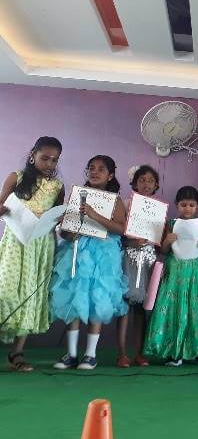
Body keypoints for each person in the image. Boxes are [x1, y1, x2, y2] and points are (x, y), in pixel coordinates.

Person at [50, 155, 128, 370]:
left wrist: (94, 215)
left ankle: (90, 354)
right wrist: (68, 232)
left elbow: (121, 228)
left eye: (101, 169)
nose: (94, 172)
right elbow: (65, 231)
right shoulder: (77, 195)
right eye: (91, 168)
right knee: (74, 298)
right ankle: (71, 353)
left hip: (103, 254)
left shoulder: (115, 200)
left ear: (110, 175)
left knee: (97, 298)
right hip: (77, 251)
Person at [0, 137, 64, 372]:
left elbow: (57, 216)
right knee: (5, 292)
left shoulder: (58, 186)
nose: (49, 163)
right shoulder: (16, 177)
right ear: (32, 155)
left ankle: (17, 352)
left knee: (30, 295)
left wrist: (62, 220)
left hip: (42, 245)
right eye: (44, 158)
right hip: (16, 241)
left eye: (54, 160)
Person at [143, 186, 198, 366]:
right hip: (175, 270)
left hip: (197, 271)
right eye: (183, 205)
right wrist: (167, 242)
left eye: (191, 205)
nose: (187, 209)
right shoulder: (170, 224)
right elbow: (162, 250)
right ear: (177, 205)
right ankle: (173, 352)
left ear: (197, 206)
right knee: (174, 309)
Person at [116, 165, 161, 368]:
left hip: (149, 259)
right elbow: (118, 232)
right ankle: (122, 353)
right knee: (125, 306)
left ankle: (140, 353)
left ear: (156, 185)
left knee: (143, 309)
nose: (146, 184)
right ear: (134, 183)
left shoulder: (159, 208)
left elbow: (160, 238)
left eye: (150, 180)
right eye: (142, 180)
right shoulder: (126, 204)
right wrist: (131, 241)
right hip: (129, 257)